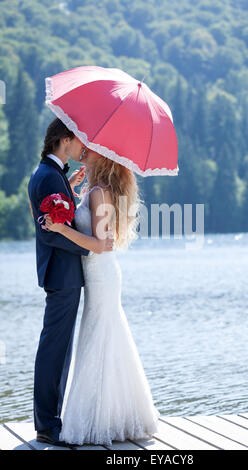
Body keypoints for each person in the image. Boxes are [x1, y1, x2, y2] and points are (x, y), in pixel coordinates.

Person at [45, 146, 160, 446]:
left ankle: (101, 421)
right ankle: (113, 416)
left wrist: (59, 229)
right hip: (99, 275)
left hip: (102, 274)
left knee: (100, 338)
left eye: (92, 149)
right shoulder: (93, 189)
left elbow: (102, 245)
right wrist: (69, 189)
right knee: (103, 338)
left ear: (104, 157)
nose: (84, 149)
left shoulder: (99, 192)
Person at [28, 118, 114, 447]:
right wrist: (91, 248)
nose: (83, 147)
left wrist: (70, 185)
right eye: (79, 140)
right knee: (55, 349)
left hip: (61, 273)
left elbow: (61, 216)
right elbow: (54, 234)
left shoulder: (52, 175)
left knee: (58, 348)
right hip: (62, 273)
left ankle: (49, 421)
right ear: (65, 140)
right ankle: (47, 425)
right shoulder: (49, 177)